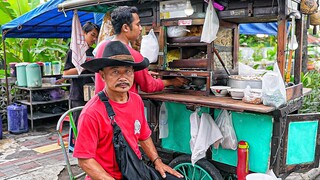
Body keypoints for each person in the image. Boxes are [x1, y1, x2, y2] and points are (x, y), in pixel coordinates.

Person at [74, 41, 183, 180]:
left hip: (134, 170)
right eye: (115, 72)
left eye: (128, 71)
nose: (123, 78)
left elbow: (143, 136)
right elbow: (84, 160)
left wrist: (157, 161)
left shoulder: (136, 100)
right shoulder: (92, 112)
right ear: (102, 76)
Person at [94, 6, 187, 94]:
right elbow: (149, 86)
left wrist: (142, 74)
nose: (140, 28)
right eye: (137, 24)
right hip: (122, 106)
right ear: (125, 28)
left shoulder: (101, 47)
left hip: (102, 104)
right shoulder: (132, 54)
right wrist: (171, 81)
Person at [63, 21, 100, 123]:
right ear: (83, 33)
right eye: (92, 35)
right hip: (78, 94)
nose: (94, 39)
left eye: (96, 37)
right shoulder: (74, 51)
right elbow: (66, 73)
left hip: (93, 93)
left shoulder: (95, 51)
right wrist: (83, 66)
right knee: (79, 123)